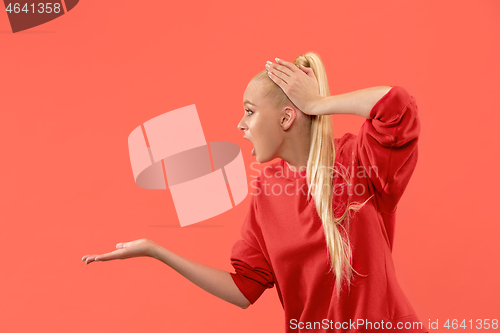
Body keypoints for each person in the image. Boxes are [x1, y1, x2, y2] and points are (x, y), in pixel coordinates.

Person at [82, 52, 428, 333]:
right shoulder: (266, 191)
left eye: (249, 111)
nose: (240, 124)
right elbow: (243, 288)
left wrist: (318, 102)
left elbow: (397, 107)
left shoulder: (358, 161)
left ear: (286, 118)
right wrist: (155, 251)